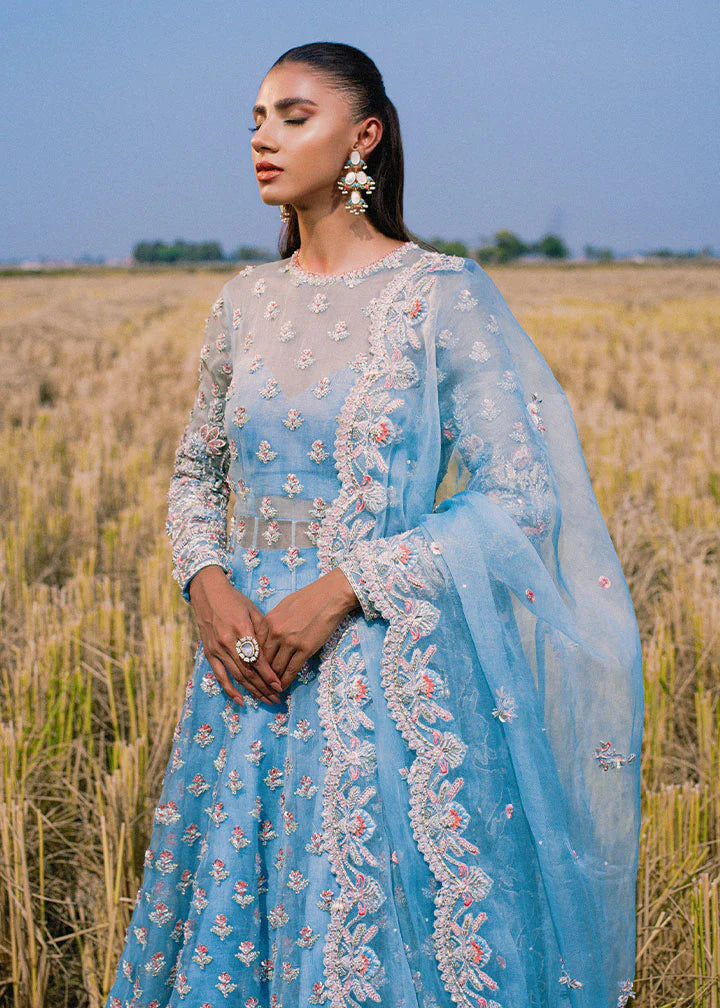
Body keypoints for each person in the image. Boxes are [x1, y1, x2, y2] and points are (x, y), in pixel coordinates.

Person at [105, 41, 643, 1008]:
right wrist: (206, 579)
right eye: (256, 121)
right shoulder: (243, 302)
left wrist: (343, 586)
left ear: (366, 135)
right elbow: (195, 473)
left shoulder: (441, 295)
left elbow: (523, 496)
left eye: (291, 116)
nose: (263, 139)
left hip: (384, 679)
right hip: (243, 680)